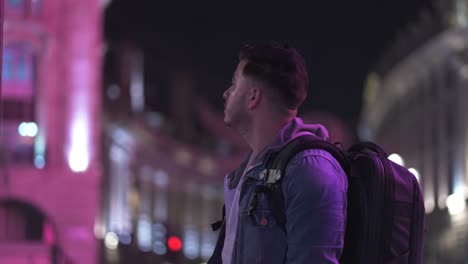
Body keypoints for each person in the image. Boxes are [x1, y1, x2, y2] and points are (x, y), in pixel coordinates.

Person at [208, 43, 348, 264]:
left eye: (234, 84)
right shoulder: (249, 173)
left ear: (253, 97)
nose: (226, 93)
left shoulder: (309, 170)